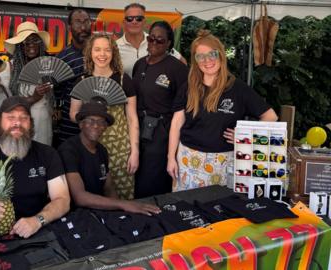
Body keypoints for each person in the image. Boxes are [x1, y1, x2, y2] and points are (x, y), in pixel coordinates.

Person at [167, 30, 278, 191]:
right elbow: (177, 123)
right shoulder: (188, 87)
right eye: (200, 56)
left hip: (223, 164)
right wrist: (171, 157)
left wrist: (246, 136)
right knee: (187, 211)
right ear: (195, 60)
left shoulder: (237, 88)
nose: (207, 61)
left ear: (220, 55)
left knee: (219, 211)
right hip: (188, 160)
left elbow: (271, 116)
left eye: (212, 54)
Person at [0, 96, 70, 238]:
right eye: (10, 117)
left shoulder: (48, 154)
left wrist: (38, 220)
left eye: (24, 118)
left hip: (40, 231)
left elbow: (63, 200)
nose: (17, 123)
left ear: (30, 123)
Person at [59, 100, 161, 215]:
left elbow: (109, 188)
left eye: (102, 122)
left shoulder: (102, 150)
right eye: (90, 121)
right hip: (77, 216)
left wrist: (120, 213)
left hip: (101, 212)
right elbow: (80, 197)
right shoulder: (69, 150)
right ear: (81, 124)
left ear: (105, 127)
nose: (96, 125)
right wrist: (123, 204)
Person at [69, 33, 139, 200]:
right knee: (92, 192)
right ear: (90, 53)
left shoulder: (123, 81)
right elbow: (73, 114)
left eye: (107, 50)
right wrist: (88, 115)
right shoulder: (82, 80)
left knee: (122, 194)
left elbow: (132, 119)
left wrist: (135, 152)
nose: (102, 54)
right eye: (97, 49)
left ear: (113, 53)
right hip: (90, 147)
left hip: (120, 149)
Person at [132, 21, 188, 199]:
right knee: (136, 175)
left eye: (160, 41)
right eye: (151, 39)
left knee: (152, 181)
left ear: (169, 44)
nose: (154, 43)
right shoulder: (139, 64)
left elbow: (185, 106)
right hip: (137, 128)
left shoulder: (178, 68)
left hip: (161, 132)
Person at [5, 21, 54, 145]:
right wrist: (33, 98)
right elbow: (6, 105)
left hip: (43, 126)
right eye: (26, 42)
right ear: (19, 45)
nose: (31, 45)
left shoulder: (47, 67)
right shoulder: (9, 68)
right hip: (19, 125)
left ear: (40, 45)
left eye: (35, 41)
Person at [117, 3, 187, 78]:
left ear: (144, 22)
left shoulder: (155, 41)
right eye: (129, 19)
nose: (134, 22)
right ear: (124, 22)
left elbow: (182, 62)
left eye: (139, 18)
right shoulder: (115, 47)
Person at [56, 9, 92, 145]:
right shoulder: (62, 58)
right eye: (78, 23)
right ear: (69, 27)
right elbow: (58, 94)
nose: (83, 27)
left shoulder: (101, 53)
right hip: (70, 128)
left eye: (86, 22)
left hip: (99, 125)